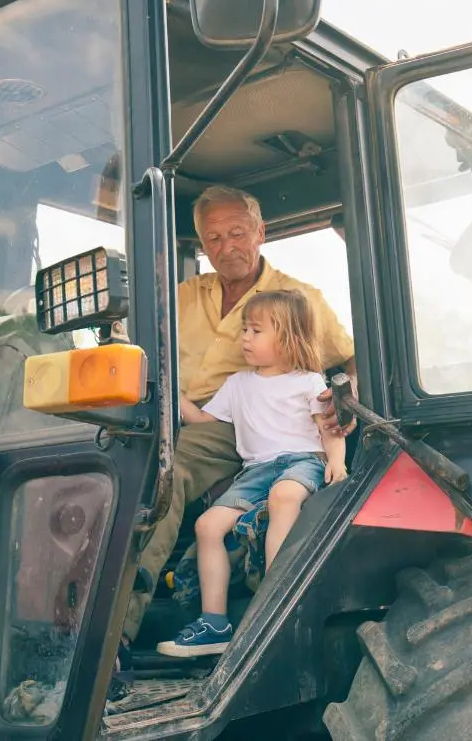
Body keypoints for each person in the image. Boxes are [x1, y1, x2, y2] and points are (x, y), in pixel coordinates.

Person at [113, 185, 357, 686]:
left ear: (260, 232)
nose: (227, 247)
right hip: (181, 412)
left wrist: (345, 399)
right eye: (214, 238)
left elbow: (349, 361)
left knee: (165, 465)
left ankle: (113, 633)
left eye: (238, 233)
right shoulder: (183, 295)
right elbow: (134, 348)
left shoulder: (298, 299)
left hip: (237, 428)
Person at [157, 289, 347, 657]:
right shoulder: (238, 384)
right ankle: (214, 623)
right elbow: (202, 420)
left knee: (284, 496)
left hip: (302, 461)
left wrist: (336, 461)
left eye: (256, 331)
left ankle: (273, 607)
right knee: (207, 526)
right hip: (255, 471)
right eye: (244, 329)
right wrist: (169, 391)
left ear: (288, 336)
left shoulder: (308, 381)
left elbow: (329, 430)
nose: (245, 337)